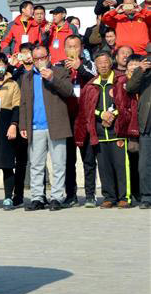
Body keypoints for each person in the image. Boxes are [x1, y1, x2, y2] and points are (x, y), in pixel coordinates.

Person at [18, 45, 74, 211]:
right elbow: (23, 103)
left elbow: (68, 91)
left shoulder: (59, 72)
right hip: (35, 126)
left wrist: (52, 79)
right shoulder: (27, 77)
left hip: (56, 125)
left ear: (49, 57)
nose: (40, 61)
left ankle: (57, 197)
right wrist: (23, 124)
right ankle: (37, 198)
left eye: (42, 57)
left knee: (58, 164)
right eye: (36, 59)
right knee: (36, 165)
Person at [75, 50, 132, 208]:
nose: (103, 66)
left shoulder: (120, 80)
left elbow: (126, 104)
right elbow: (87, 108)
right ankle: (109, 197)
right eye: (100, 63)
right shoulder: (91, 85)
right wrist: (101, 114)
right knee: (104, 167)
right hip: (100, 133)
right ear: (96, 65)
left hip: (117, 132)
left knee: (121, 166)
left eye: (106, 62)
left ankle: (124, 197)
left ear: (111, 62)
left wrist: (112, 115)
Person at [59, 35, 97, 207]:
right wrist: (67, 71)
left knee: (88, 159)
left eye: (75, 46)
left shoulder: (89, 64)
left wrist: (79, 67)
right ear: (64, 48)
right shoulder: (59, 65)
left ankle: (90, 195)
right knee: (68, 160)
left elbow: (94, 79)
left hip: (84, 117)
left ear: (81, 48)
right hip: (66, 117)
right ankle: (71, 195)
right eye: (69, 46)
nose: (72, 49)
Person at [0, 54, 21, 210]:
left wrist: (14, 124)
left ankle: (8, 197)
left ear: (6, 66)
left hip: (5, 126)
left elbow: (17, 107)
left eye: (0, 63)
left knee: (7, 165)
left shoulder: (13, 84)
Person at [125, 54, 151, 208]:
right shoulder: (143, 73)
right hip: (146, 124)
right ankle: (147, 197)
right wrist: (141, 70)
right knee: (145, 164)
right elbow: (130, 87)